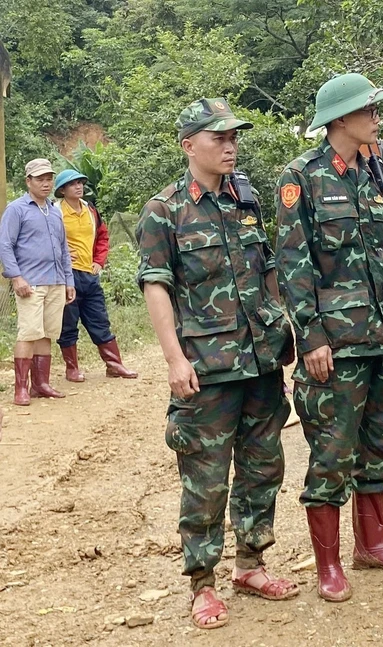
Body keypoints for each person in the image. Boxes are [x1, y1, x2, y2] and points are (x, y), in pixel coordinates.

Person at [136, 98, 298, 630]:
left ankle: (251, 564)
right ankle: (202, 583)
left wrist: (286, 326)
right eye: (218, 138)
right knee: (205, 479)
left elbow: (268, 268)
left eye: (234, 137)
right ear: (189, 145)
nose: (230, 146)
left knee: (262, 467)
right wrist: (174, 359)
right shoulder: (164, 210)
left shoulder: (245, 196)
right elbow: (156, 286)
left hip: (261, 362)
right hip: (206, 366)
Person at [275, 73, 383, 604]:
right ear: (339, 118)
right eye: (368, 110)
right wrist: (311, 337)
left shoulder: (372, 167)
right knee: (332, 453)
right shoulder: (302, 177)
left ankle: (373, 544)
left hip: (381, 334)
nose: (377, 118)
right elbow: (293, 264)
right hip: (336, 343)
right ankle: (330, 565)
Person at [0, 159, 76, 406]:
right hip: (30, 282)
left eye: (48, 178)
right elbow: (5, 245)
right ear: (28, 181)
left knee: (47, 333)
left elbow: (64, 249)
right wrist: (16, 277)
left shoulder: (55, 210)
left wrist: (68, 280)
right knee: (28, 333)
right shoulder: (17, 209)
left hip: (55, 281)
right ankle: (20, 388)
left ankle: (40, 384)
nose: (45, 183)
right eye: (40, 178)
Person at [53, 169, 138, 382]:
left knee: (100, 319)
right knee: (68, 323)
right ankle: (72, 369)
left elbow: (102, 236)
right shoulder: (55, 212)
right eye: (73, 184)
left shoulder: (91, 210)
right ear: (62, 190)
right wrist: (58, 254)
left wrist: (99, 261)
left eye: (80, 182)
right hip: (66, 276)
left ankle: (114, 365)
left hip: (89, 276)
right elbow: (44, 239)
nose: (79, 186)